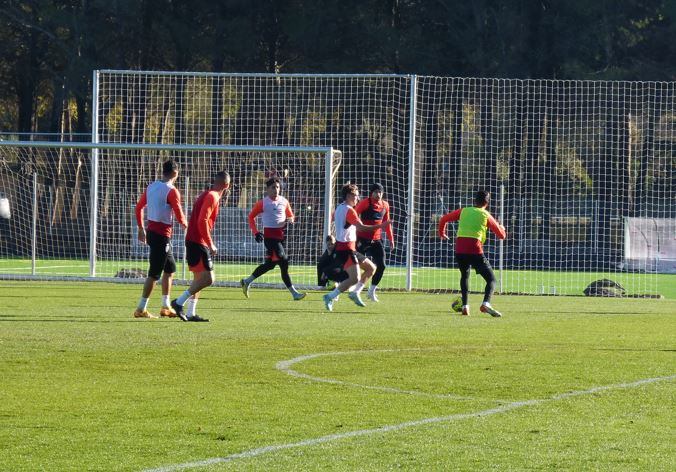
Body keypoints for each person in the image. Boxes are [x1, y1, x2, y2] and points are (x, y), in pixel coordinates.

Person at [171, 171, 231, 322]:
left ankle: (191, 313)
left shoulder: (207, 194)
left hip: (194, 240)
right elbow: (202, 221)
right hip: (198, 241)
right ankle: (178, 302)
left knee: (199, 279)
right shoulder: (213, 196)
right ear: (227, 186)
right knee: (209, 278)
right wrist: (210, 243)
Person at [322, 183, 391, 312]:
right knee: (355, 278)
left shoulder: (339, 208)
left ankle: (354, 293)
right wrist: (381, 226)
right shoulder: (349, 210)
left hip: (348, 248)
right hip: (346, 249)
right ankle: (330, 296)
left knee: (372, 268)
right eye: (355, 196)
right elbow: (362, 227)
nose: (357, 199)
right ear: (348, 196)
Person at [132, 159, 188, 319]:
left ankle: (165, 306)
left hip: (152, 233)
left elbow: (138, 207)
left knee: (170, 269)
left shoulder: (151, 186)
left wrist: (141, 228)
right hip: (161, 236)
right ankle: (141, 308)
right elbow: (179, 213)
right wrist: (187, 226)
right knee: (154, 273)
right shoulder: (171, 190)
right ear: (176, 173)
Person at [438, 190, 506, 317]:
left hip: (459, 249)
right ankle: (486, 303)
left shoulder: (463, 210)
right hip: (475, 249)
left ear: (474, 201)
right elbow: (502, 236)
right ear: (487, 202)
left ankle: (465, 306)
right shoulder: (485, 214)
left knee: (465, 275)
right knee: (491, 280)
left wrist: (441, 233)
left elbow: (443, 219)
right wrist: (502, 228)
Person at [240, 177, 306, 300]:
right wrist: (256, 232)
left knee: (270, 265)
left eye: (278, 187)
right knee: (283, 259)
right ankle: (294, 293)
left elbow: (291, 215)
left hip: (281, 238)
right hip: (270, 238)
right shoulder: (262, 203)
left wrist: (291, 219)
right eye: (273, 187)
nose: (276, 189)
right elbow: (251, 217)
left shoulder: (284, 201)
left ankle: (247, 281)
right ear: (267, 189)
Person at [354, 182, 394, 302]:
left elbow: (387, 224)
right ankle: (342, 288)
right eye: (376, 191)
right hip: (361, 239)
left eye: (380, 192)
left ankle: (371, 291)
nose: (378, 194)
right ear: (371, 193)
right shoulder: (364, 203)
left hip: (376, 240)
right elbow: (353, 215)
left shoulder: (385, 205)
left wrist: (391, 239)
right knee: (352, 265)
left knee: (381, 266)